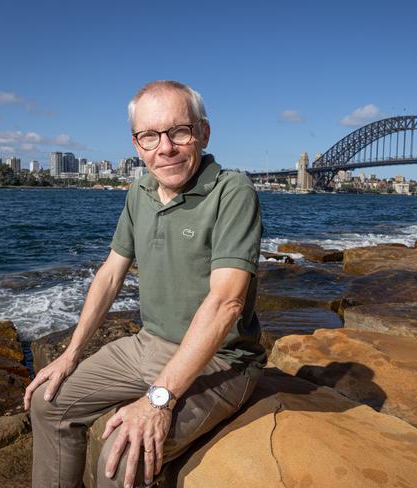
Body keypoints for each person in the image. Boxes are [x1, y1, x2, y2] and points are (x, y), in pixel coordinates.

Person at [24, 80, 265, 488]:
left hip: (221, 360)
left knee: (122, 457)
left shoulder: (233, 191)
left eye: (179, 131)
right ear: (136, 143)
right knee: (49, 405)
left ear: (203, 133)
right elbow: (111, 273)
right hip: (146, 343)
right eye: (149, 136)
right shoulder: (139, 190)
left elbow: (227, 302)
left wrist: (160, 400)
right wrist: (71, 354)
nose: (165, 148)